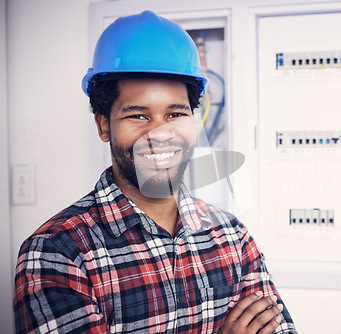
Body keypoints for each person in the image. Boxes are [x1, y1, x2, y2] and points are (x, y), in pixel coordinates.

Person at [13, 10, 296, 334]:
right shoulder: (58, 252)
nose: (160, 134)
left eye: (175, 113)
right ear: (104, 124)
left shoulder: (233, 238)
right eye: (138, 116)